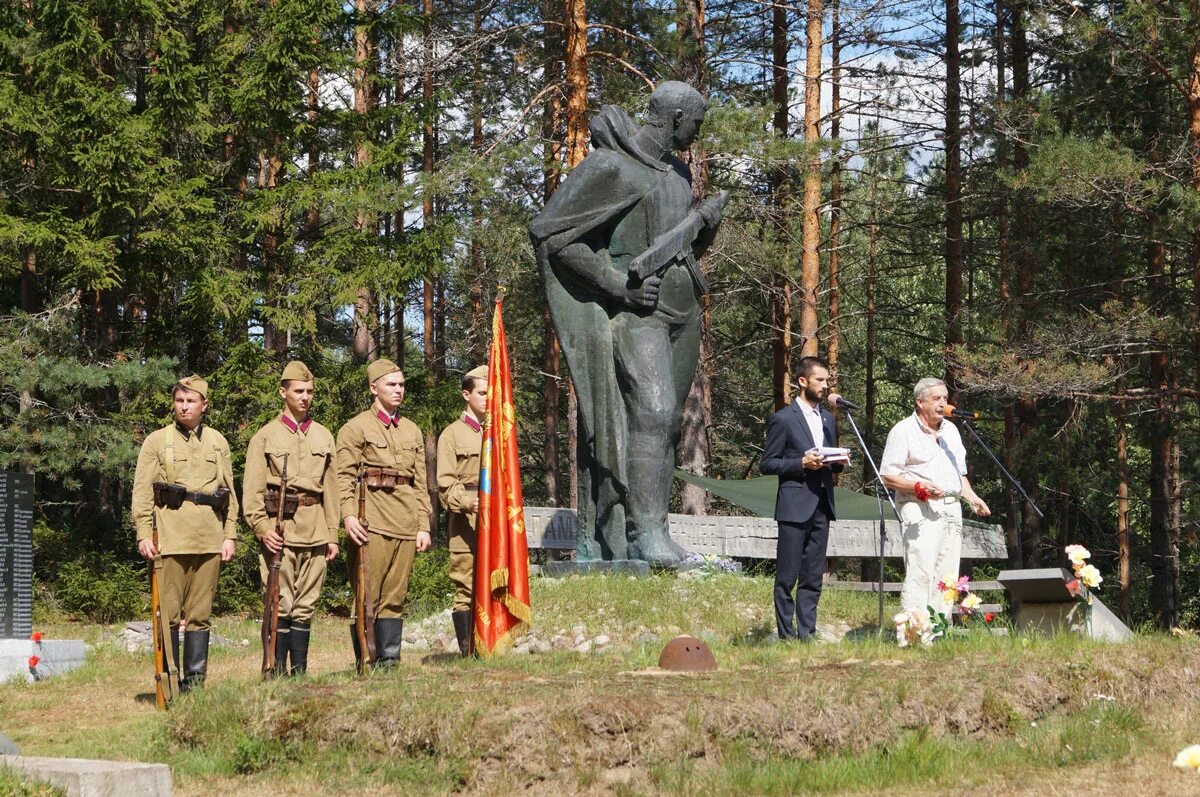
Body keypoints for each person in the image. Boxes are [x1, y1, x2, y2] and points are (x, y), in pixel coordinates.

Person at [528, 80, 728, 565]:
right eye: (695, 124)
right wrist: (619, 285)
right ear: (676, 117)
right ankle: (643, 537)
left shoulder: (678, 173)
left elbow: (675, 242)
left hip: (684, 310)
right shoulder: (611, 165)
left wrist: (703, 226)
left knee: (670, 424)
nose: (697, 134)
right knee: (652, 414)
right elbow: (553, 234)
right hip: (636, 314)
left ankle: (655, 531)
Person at [132, 375, 238, 691]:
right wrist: (141, 533)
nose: (184, 406)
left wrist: (230, 534)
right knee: (167, 614)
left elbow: (229, 491)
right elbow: (142, 492)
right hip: (170, 538)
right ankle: (167, 685)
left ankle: (194, 687)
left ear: (204, 405)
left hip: (209, 538)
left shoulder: (218, 442)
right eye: (179, 400)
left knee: (200, 616)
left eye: (191, 401)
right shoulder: (157, 441)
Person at [242, 361, 340, 675]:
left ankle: (299, 673)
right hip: (279, 530)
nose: (305, 397)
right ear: (283, 392)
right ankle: (274, 672)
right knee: (279, 604)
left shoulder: (324, 436)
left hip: (315, 531)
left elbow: (332, 491)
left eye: (309, 391)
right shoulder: (265, 436)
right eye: (299, 391)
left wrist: (332, 534)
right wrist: (261, 529)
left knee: (305, 605)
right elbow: (253, 491)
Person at [336, 359, 432, 669]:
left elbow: (420, 484)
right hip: (371, 524)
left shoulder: (412, 430)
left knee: (395, 596)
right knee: (368, 595)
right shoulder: (356, 427)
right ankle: (366, 659)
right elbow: (343, 477)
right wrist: (349, 516)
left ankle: (389, 660)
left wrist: (423, 525)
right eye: (391, 384)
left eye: (402, 384)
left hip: (404, 523)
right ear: (373, 388)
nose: (398, 390)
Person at [880, 377, 991, 621]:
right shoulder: (902, 431)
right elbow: (888, 475)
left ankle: (940, 628)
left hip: (951, 508)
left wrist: (972, 497)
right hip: (918, 506)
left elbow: (958, 473)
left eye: (945, 398)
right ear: (920, 402)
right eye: (936, 399)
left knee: (947, 573)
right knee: (921, 569)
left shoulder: (951, 430)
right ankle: (914, 630)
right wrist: (919, 485)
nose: (943, 403)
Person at [760, 356, 844, 641]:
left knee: (812, 577)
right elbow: (768, 463)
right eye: (820, 380)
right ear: (802, 381)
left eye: (827, 380)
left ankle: (807, 633)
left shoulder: (828, 419)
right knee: (787, 577)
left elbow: (830, 460)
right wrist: (800, 463)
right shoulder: (783, 418)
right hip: (794, 506)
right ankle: (786, 635)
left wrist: (838, 460)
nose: (825, 385)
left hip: (821, 504)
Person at [436, 366, 487, 656]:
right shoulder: (451, 435)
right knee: (466, 584)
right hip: (465, 521)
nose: (487, 398)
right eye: (481, 392)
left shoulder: (499, 433)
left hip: (495, 523)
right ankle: (469, 651)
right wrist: (468, 502)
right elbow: (445, 483)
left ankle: (491, 644)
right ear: (466, 395)